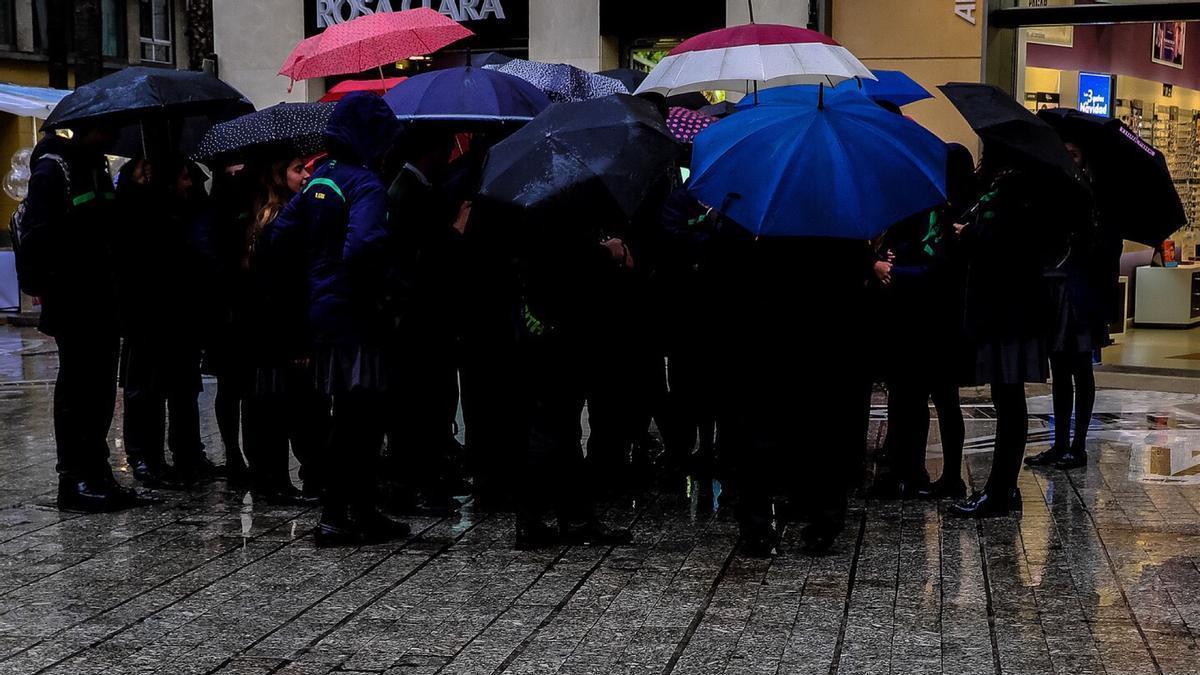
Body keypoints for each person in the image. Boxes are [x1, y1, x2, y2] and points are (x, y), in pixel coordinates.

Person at [266, 93, 409, 546]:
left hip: (323, 312)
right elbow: (365, 245)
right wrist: (377, 284)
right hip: (358, 316)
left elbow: (279, 237)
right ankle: (342, 514)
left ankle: (355, 510)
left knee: (347, 414)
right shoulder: (365, 184)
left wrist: (316, 275)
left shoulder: (319, 178)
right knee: (360, 417)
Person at [20, 121, 141, 511]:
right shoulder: (54, 168)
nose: (112, 137)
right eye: (106, 130)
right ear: (89, 130)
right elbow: (43, 235)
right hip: (74, 297)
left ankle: (97, 471)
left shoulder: (94, 165)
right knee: (79, 388)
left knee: (101, 388)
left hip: (102, 295)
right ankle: (74, 478)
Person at [948, 145, 1067, 518]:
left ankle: (1001, 489)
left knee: (1009, 399)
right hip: (1012, 310)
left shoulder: (1018, 192)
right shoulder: (1013, 189)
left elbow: (1007, 247)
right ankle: (1003, 487)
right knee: (1007, 398)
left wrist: (969, 234)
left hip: (1010, 311)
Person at [512, 207, 636, 550]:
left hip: (552, 325)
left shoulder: (540, 200)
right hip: (558, 330)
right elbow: (562, 260)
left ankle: (570, 515)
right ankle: (535, 516)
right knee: (552, 424)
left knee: (562, 426)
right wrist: (605, 251)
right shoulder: (553, 210)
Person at [871, 143, 974, 500]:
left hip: (937, 317)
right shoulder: (937, 209)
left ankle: (947, 475)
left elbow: (941, 270)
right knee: (918, 396)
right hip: (922, 316)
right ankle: (913, 469)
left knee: (941, 398)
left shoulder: (954, 215)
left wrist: (897, 271)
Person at [116, 157, 215, 486]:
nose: (190, 183)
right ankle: (147, 458)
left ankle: (184, 454)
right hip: (149, 316)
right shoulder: (141, 213)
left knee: (182, 387)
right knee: (147, 389)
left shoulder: (183, 212)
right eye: (185, 177)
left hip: (179, 315)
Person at [383, 128, 462, 513]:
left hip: (422, 313)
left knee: (427, 402)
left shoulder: (416, 187)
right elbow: (420, 254)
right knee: (421, 403)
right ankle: (416, 485)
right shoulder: (408, 191)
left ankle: (418, 482)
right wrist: (455, 233)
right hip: (420, 315)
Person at [241, 154, 327, 503]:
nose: (305, 174)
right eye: (297, 169)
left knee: (274, 406)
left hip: (269, 329)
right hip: (283, 330)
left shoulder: (265, 219)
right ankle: (276, 479)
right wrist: (300, 340)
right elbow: (288, 286)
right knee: (293, 407)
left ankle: (270, 477)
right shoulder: (282, 221)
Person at [1025, 141, 1115, 471]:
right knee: (1060, 369)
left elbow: (1104, 249)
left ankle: (1077, 445)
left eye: (1074, 154)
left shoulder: (1094, 198)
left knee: (1080, 367)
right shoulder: (1055, 191)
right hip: (1056, 286)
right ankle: (1060, 441)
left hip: (1080, 293)